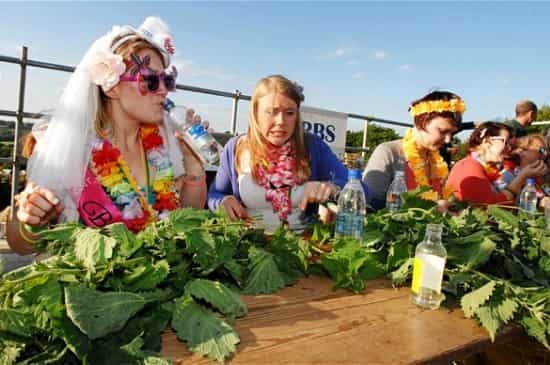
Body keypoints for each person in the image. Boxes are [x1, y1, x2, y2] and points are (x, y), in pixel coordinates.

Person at [7, 17, 207, 255]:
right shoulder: (70, 148)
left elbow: (188, 217)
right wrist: (32, 221)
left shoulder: (166, 143)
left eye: (168, 79)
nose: (163, 89)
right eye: (150, 80)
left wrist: (194, 164)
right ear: (111, 86)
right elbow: (19, 245)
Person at [208, 75, 361, 231]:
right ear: (255, 114)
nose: (281, 121)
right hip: (248, 241)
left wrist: (331, 188)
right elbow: (215, 194)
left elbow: (360, 189)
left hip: (303, 243)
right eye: (271, 112)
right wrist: (223, 201)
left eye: (289, 113)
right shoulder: (235, 147)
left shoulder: (312, 145)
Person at [362, 90, 465, 210]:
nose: (448, 140)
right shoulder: (389, 152)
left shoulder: (438, 159)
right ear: (422, 121)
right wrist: (431, 209)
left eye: (452, 133)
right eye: (442, 131)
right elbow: (370, 205)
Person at [445, 122, 546, 205]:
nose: (509, 148)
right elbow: (490, 208)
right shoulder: (468, 166)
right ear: (486, 142)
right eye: (505, 142)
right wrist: (522, 177)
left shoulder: (486, 168)